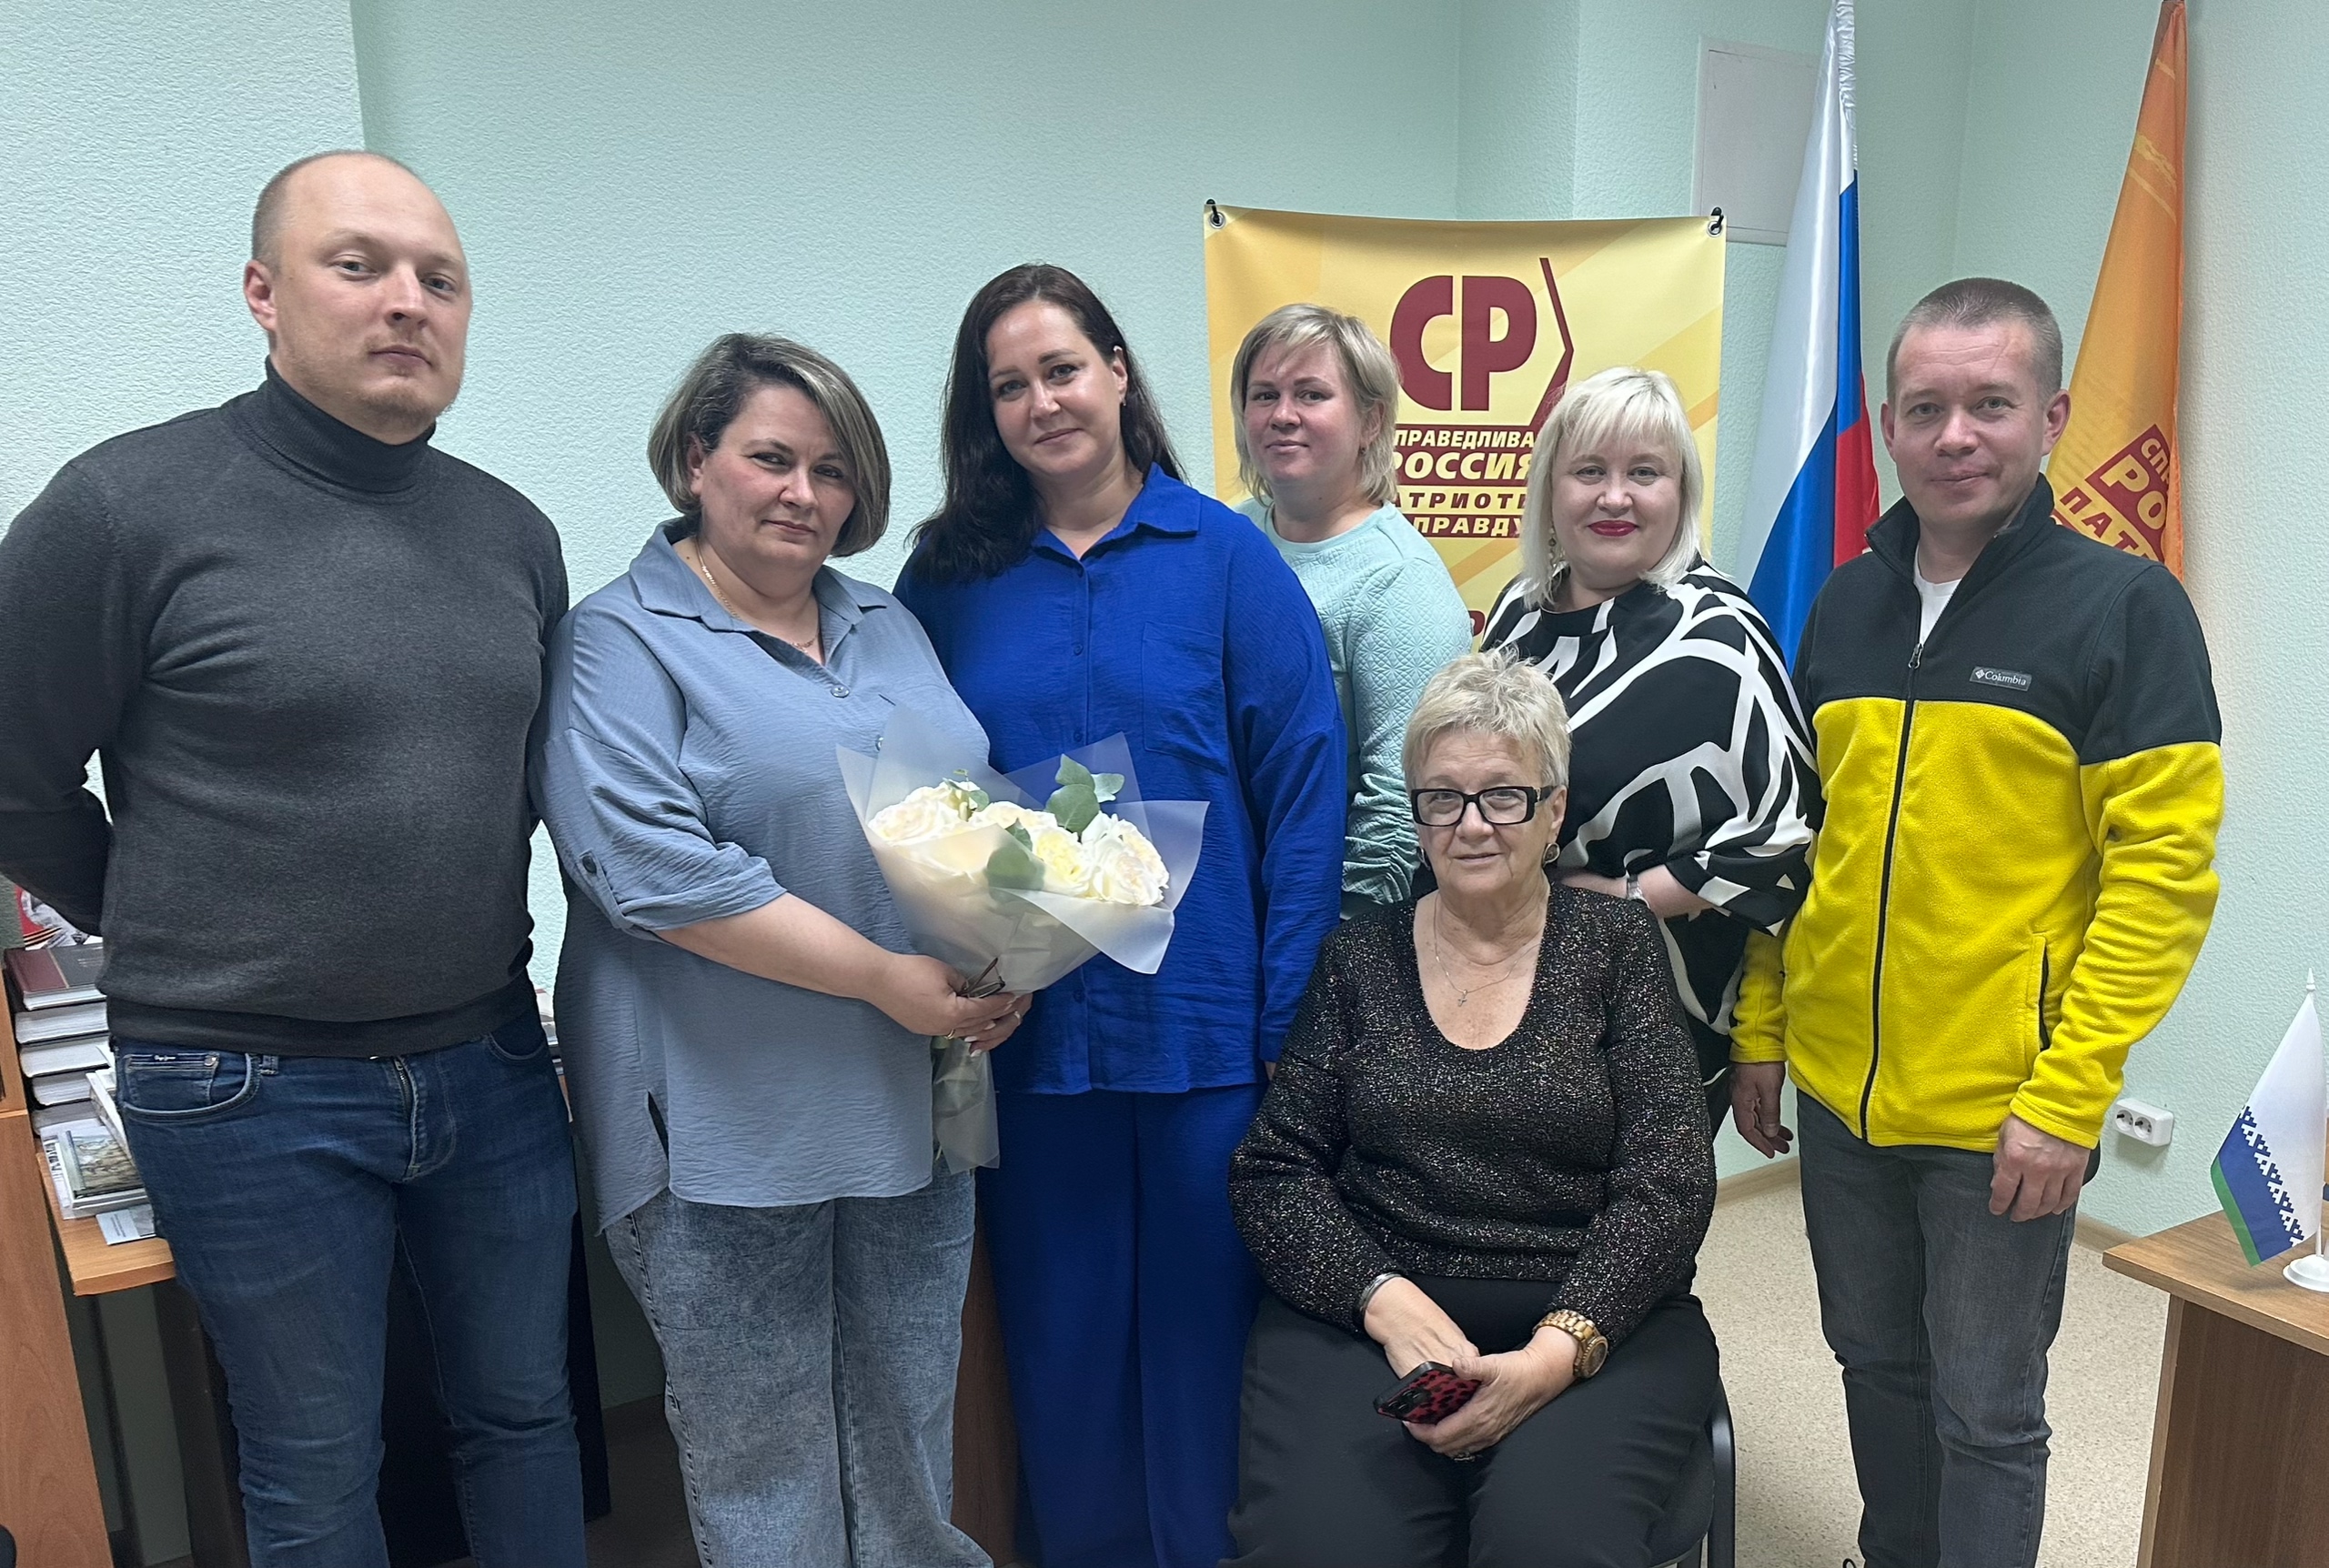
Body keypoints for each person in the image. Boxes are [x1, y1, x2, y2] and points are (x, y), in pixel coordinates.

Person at [0, 151, 585, 1566]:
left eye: (440, 279)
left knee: (525, 1416)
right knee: (316, 1465)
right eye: (358, 266)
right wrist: (161, 916)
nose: (407, 303)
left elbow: (520, 790)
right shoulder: (124, 508)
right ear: (263, 293)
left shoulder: (512, 533)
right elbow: (13, 777)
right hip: (242, 1084)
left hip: (491, 1058)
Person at [1730, 278, 2223, 1568]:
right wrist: (1764, 1028)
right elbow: (1798, 843)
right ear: (1890, 426)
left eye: (1991, 404)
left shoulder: (2126, 610)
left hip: (2003, 1109)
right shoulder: (1844, 602)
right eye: (1926, 408)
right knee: (1873, 1361)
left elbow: (2162, 880)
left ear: (2049, 417)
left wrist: (2069, 1097)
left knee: (1987, 1408)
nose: (1956, 435)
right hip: (1839, 1091)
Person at [532, 334, 1024, 1567]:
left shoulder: (886, 622)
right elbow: (656, 874)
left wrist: (1008, 951)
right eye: (771, 459)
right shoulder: (618, 641)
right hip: (724, 1124)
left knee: (909, 1441)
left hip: (918, 1101)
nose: (804, 493)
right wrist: (885, 977)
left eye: (833, 469)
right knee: (766, 1463)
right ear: (696, 459)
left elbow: (961, 811)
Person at [896, 264, 1346, 1568]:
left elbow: (1304, 792)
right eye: (1009, 385)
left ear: (1117, 372)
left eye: (1062, 369)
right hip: (1030, 1040)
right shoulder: (950, 576)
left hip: (1208, 1038)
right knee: (1065, 1354)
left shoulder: (1226, 559)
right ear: (986, 413)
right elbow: (912, 784)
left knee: (1208, 1354)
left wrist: (1284, 1024)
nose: (1042, 402)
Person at [1225, 651, 1719, 1567]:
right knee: (1322, 1550)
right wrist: (1381, 1298)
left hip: (1590, 1311)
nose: (1472, 824)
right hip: (1377, 1310)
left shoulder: (1618, 945)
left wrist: (1555, 1351)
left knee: (1548, 1547)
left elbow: (1669, 1180)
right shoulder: (1357, 956)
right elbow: (1275, 1169)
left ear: (1554, 811)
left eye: (1504, 796)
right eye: (1442, 798)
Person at [1480, 366, 1817, 1131]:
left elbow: (1785, 837)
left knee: (1630, 1203)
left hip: (1653, 1013)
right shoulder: (1517, 611)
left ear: (1681, 492)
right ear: (1550, 488)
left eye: (1644, 473)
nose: (1614, 497)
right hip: (1510, 983)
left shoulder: (1720, 636)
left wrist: (1620, 900)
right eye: (1589, 471)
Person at [1231, 304, 1474, 917]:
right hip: (1219, 896)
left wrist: (1334, 945)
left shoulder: (1399, 580)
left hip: (1316, 915)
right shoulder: (1227, 536)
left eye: (1311, 394)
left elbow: (1399, 807)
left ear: (1371, 420)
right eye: (1264, 395)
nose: (1283, 415)